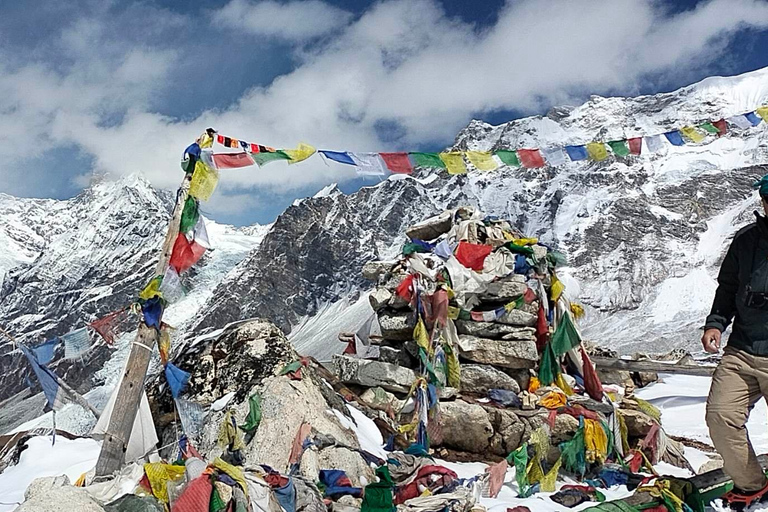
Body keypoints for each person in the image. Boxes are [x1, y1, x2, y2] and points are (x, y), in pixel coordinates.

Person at [704, 174, 768, 509]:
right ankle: (753, 485)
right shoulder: (746, 241)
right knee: (720, 416)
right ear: (763, 203)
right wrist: (715, 324)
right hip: (742, 348)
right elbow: (727, 287)